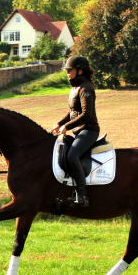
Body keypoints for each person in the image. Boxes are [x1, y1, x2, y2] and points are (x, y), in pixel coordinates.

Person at [52, 55, 100, 207]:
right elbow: (72, 112)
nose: (67, 73)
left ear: (80, 71)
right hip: (79, 131)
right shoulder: (75, 88)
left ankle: (82, 195)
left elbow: (87, 115)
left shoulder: (86, 88)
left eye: (69, 70)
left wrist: (67, 127)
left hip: (89, 130)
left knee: (72, 155)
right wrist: (60, 124)